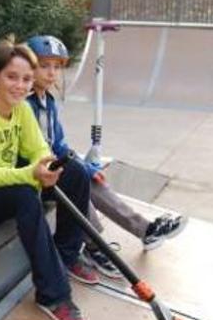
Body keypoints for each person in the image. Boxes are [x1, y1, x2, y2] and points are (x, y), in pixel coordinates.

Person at [0, 39, 99, 320]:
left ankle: (65, 257)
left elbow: (39, 147)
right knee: (26, 194)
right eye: (11, 77)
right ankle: (53, 295)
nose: (20, 86)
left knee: (77, 172)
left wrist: (47, 165)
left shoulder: (22, 110)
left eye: (27, 79)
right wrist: (34, 173)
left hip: (2, 187)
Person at [26, 35, 186, 278]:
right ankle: (94, 245)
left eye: (56, 67)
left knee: (90, 177)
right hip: (34, 176)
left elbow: (59, 144)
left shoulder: (47, 101)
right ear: (29, 66)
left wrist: (87, 168)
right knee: (76, 180)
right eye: (44, 65)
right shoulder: (24, 103)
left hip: (53, 170)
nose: (51, 73)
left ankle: (146, 230)